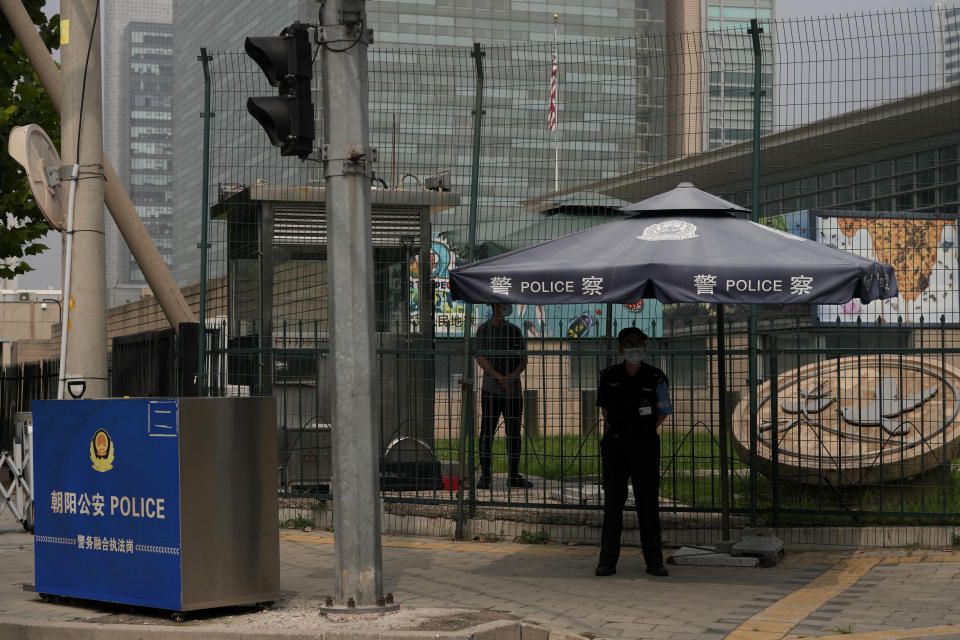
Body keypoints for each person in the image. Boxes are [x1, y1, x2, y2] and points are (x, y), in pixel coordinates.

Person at [595, 327, 672, 577]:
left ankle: (654, 561)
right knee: (613, 503)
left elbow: (661, 413)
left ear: (645, 347)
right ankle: (607, 561)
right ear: (620, 348)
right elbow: (605, 412)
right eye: (629, 343)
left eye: (638, 342)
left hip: (645, 444)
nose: (634, 347)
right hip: (616, 444)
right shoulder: (609, 375)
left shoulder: (656, 376)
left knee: (648, 504)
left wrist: (641, 430)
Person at [475, 302, 531, 489]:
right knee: (487, 432)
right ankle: (485, 475)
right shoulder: (483, 331)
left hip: (513, 389)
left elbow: (523, 360)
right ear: (493, 307)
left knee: (514, 433)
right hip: (492, 388)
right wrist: (500, 378)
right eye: (500, 306)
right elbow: (481, 359)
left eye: (506, 306)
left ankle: (513, 475)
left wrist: (512, 377)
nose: (504, 309)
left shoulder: (515, 331)